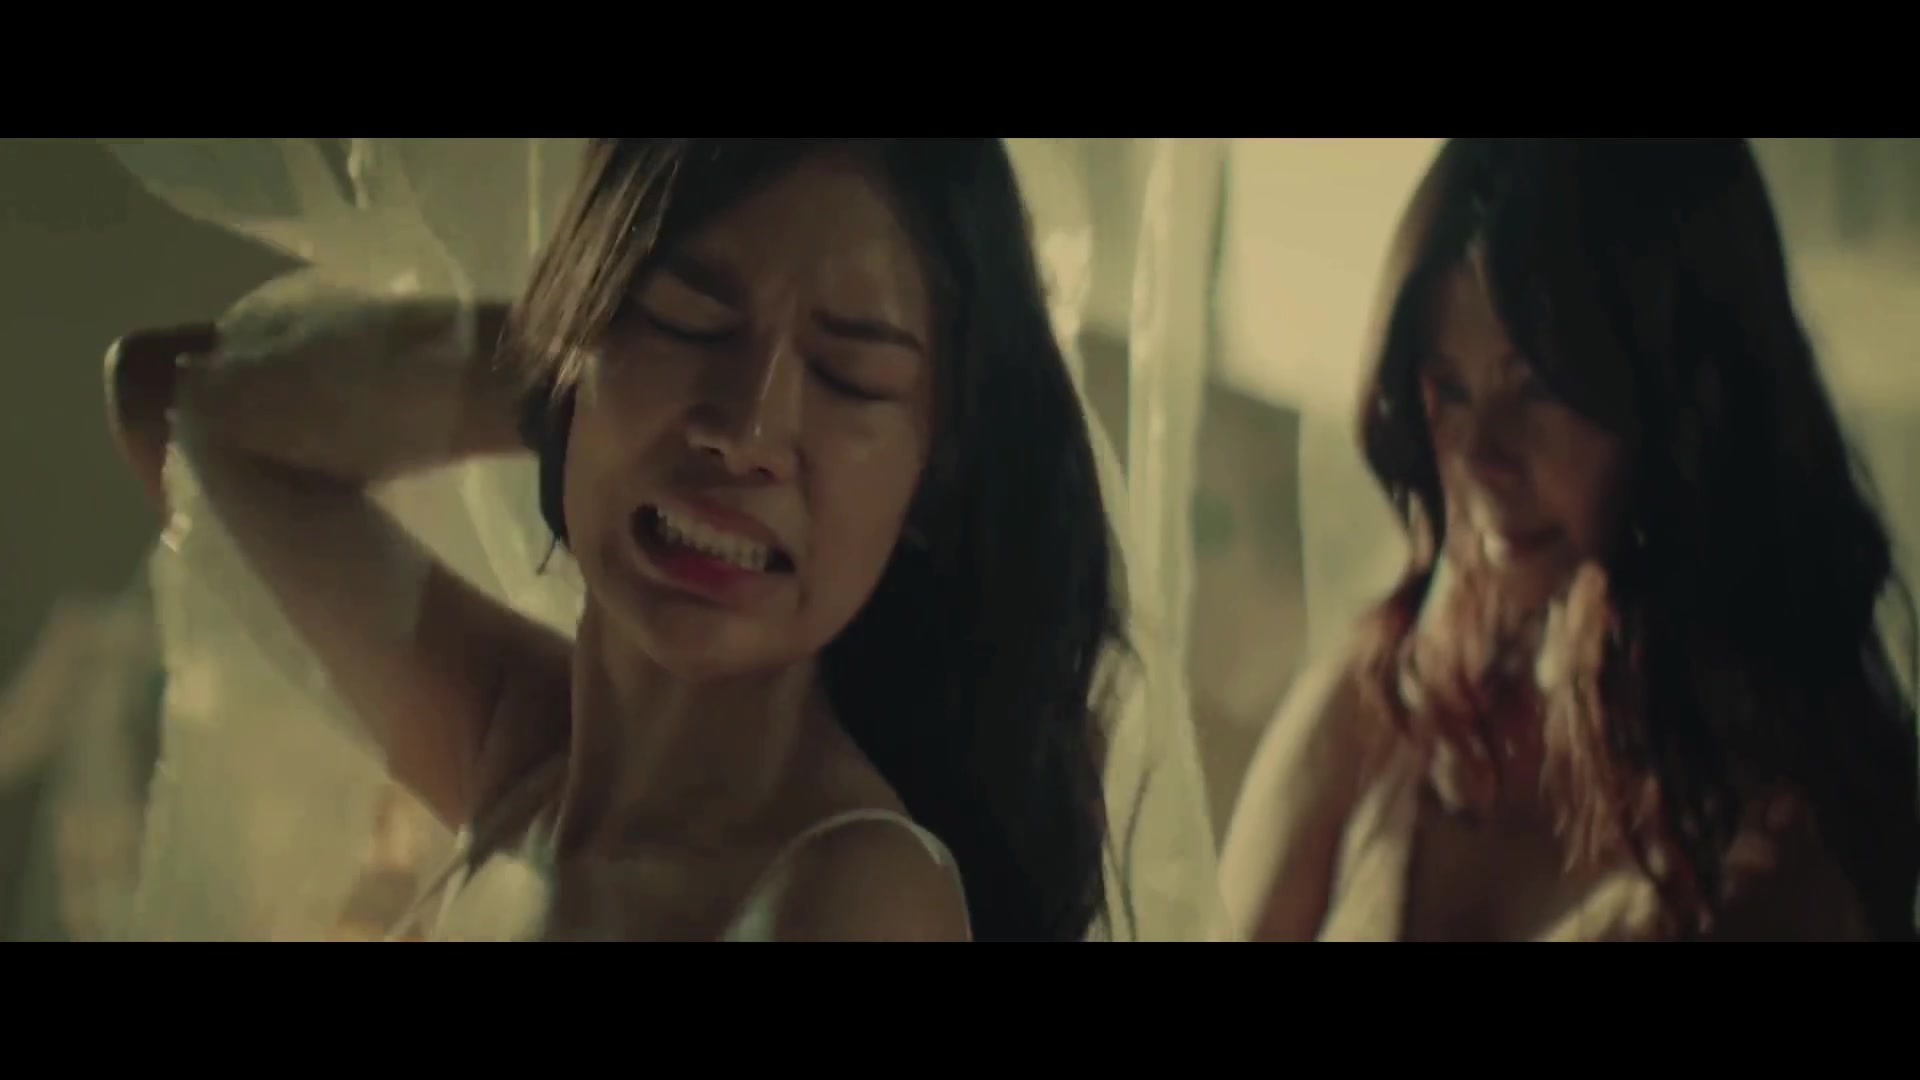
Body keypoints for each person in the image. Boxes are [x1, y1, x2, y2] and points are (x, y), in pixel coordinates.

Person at [105, 138, 1130, 942]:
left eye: (851, 377)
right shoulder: (521, 761)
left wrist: (621, 356)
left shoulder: (854, 894)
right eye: (686, 318)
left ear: (930, 483)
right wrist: (562, 366)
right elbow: (181, 411)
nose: (745, 430)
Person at [1220, 138, 1920, 942]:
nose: (1482, 459)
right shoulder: (1379, 710)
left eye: (1537, 388)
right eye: (1449, 388)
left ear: (1679, 393)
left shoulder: (1787, 818)